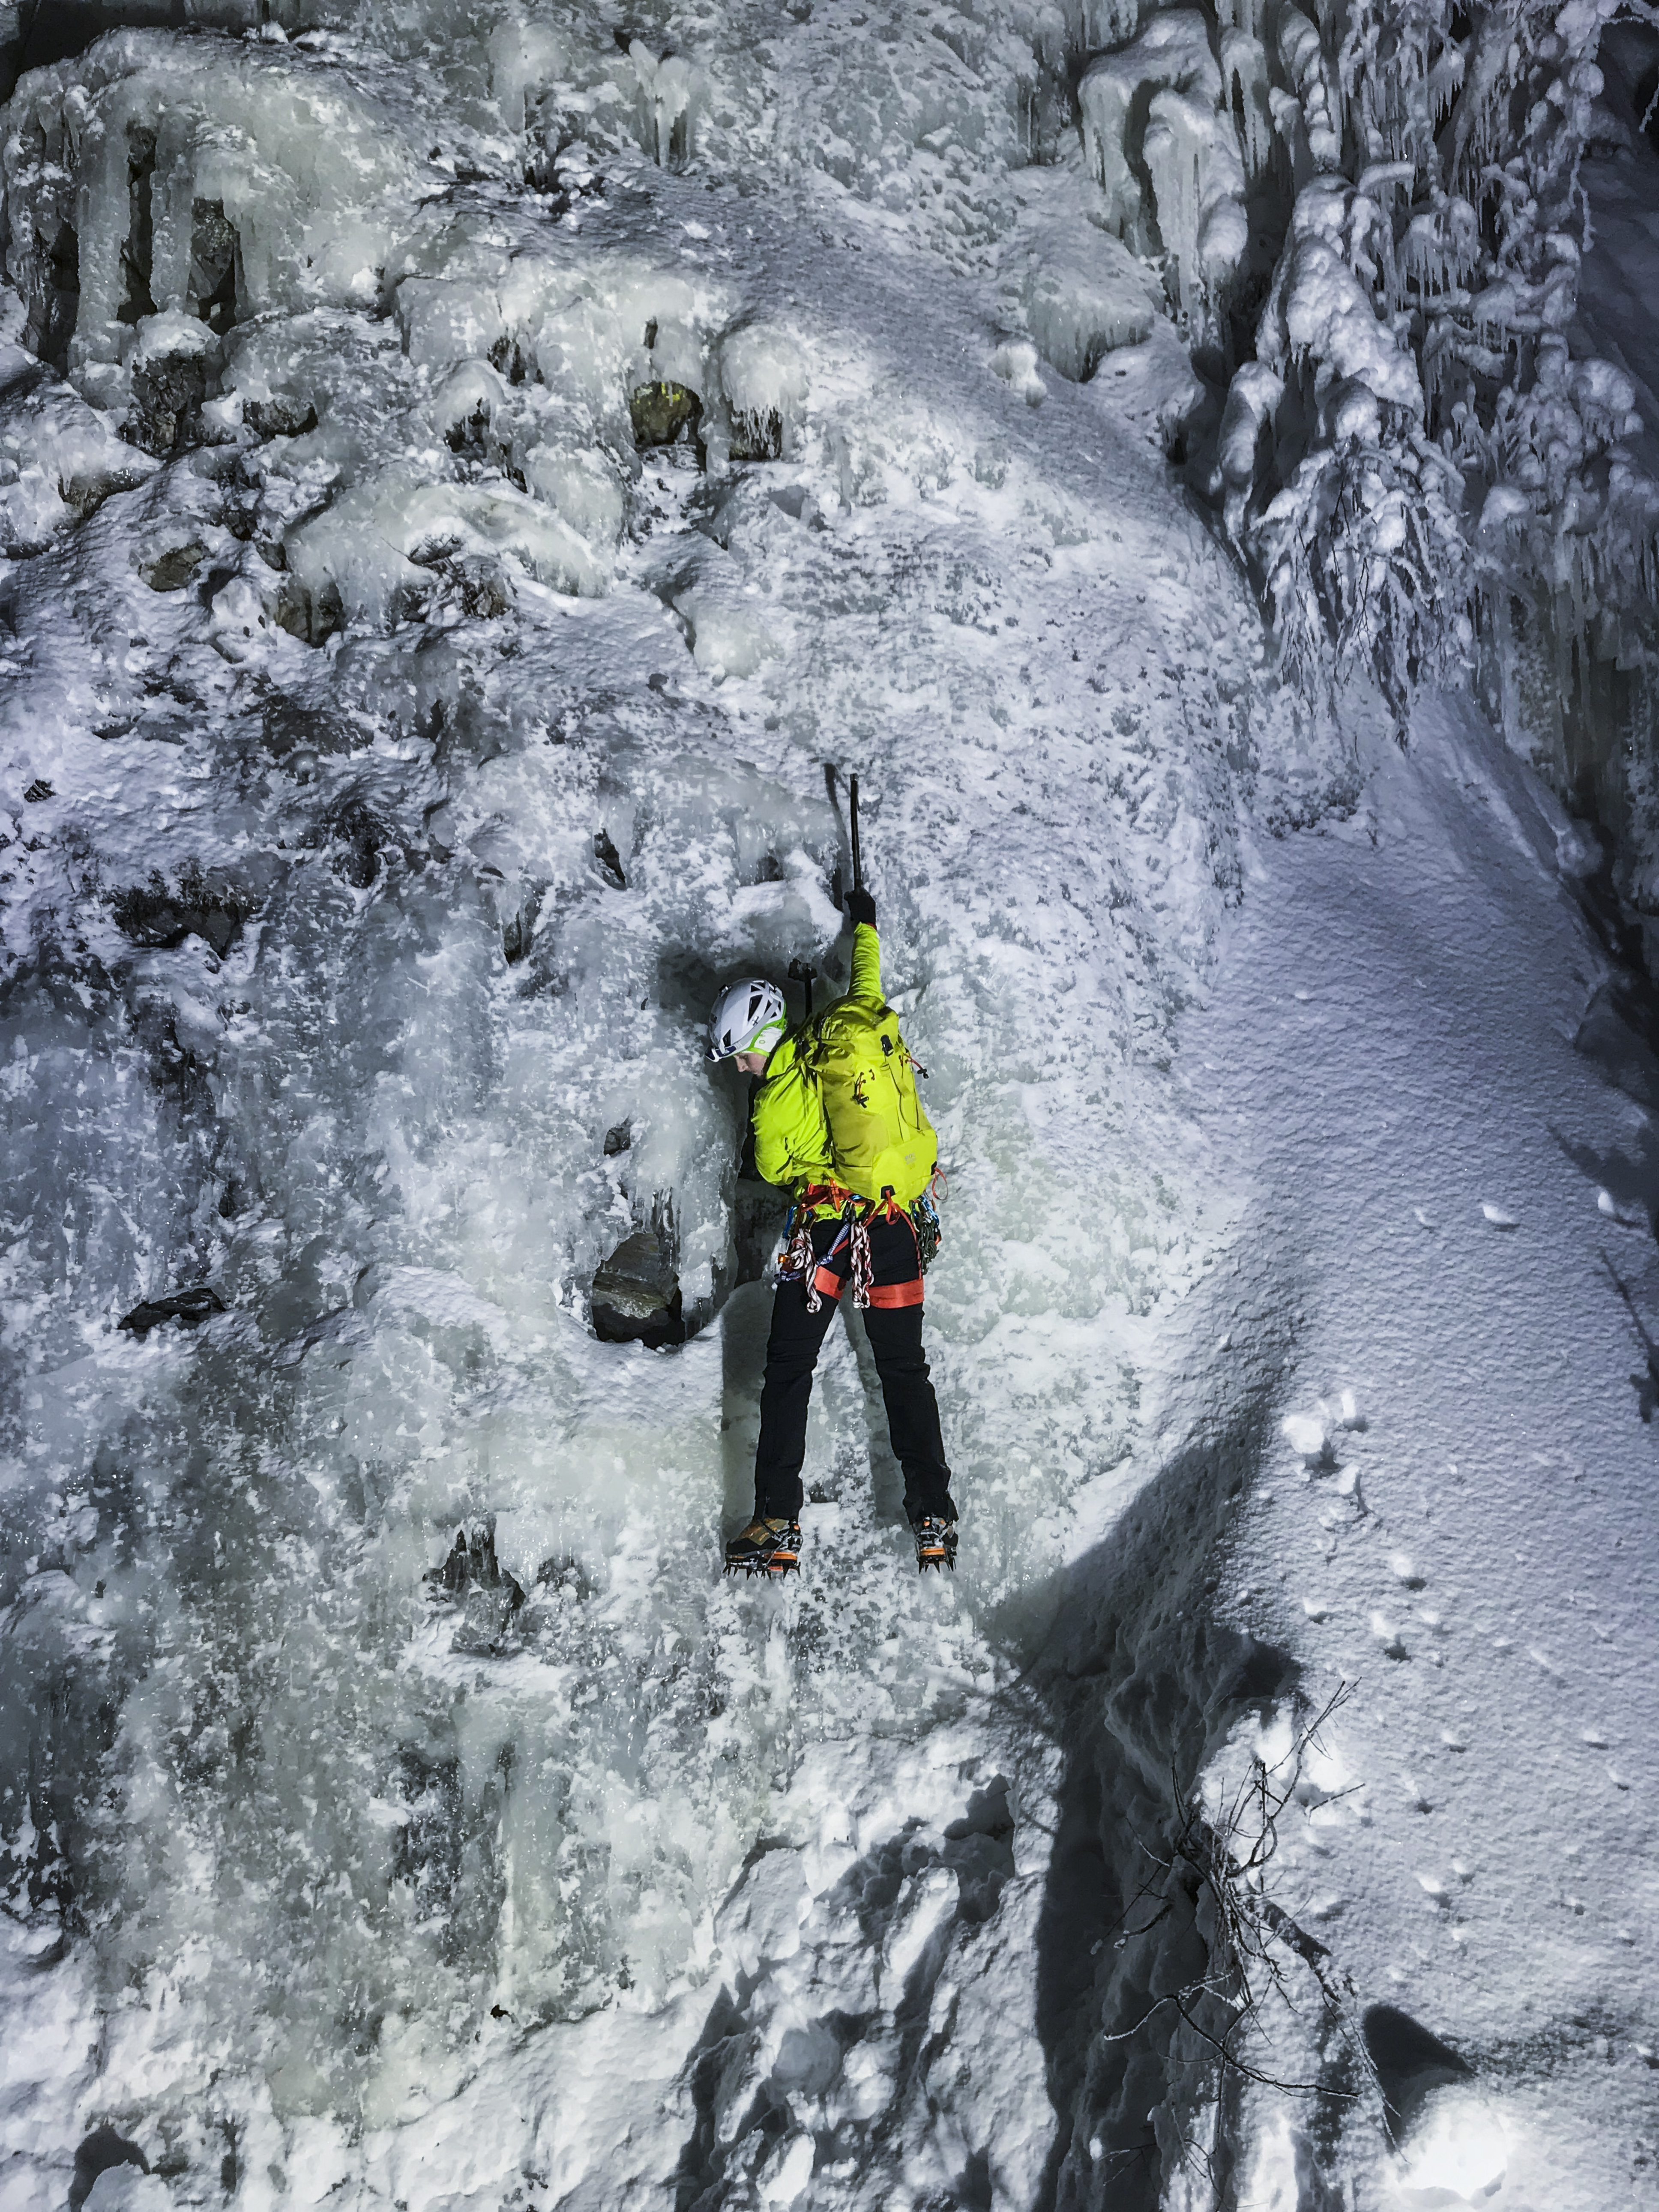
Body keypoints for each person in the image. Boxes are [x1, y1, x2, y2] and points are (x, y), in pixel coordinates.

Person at [706, 888, 959, 1576]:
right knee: (905, 1369)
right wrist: (866, 924)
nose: (740, 1068)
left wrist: (802, 1153)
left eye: (742, 1055)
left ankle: (777, 1525)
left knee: (789, 1372)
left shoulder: (775, 1098)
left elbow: (774, 1168)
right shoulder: (841, 1030)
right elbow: (867, 979)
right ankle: (934, 1516)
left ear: (761, 1041)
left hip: (826, 1236)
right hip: (893, 1224)